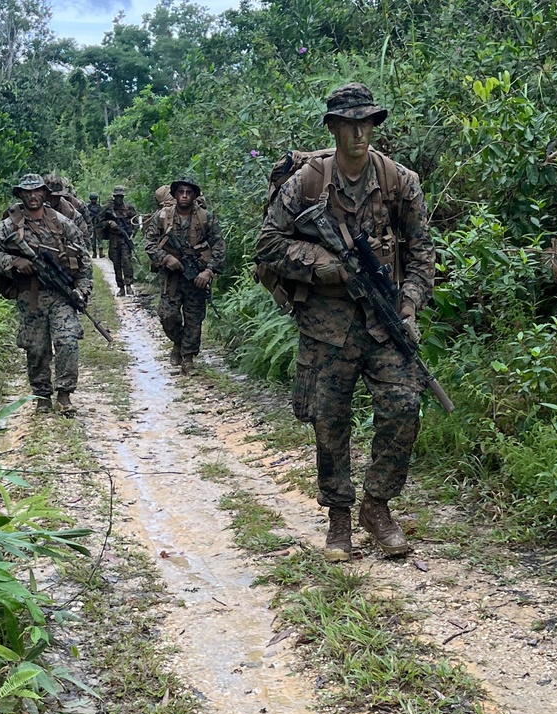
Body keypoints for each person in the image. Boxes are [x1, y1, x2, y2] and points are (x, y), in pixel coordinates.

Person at [255, 83, 434, 560]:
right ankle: (338, 518)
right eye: (350, 124)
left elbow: (421, 254)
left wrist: (410, 303)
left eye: (367, 123)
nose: (360, 133)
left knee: (403, 407)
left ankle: (376, 506)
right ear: (333, 128)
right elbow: (269, 243)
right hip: (326, 324)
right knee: (329, 422)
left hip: (383, 318)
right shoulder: (307, 183)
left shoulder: (400, 181)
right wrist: (323, 265)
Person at [0, 173, 93, 417]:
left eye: (37, 192)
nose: (33, 196)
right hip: (30, 295)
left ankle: (64, 395)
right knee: (36, 348)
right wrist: (15, 261)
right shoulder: (8, 225)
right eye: (27, 192)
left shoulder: (63, 223)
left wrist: (81, 290)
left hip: (61, 295)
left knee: (67, 340)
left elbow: (84, 261)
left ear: (44, 194)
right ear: (21, 195)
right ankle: (42, 396)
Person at [143, 176, 225, 374]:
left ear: (195, 195)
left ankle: (188, 359)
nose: (185, 196)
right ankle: (178, 343)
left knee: (194, 318)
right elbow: (149, 243)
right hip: (171, 276)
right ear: (175, 194)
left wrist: (209, 271)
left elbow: (219, 247)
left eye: (189, 192)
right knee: (167, 316)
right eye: (181, 192)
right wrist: (165, 258)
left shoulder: (206, 217)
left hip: (196, 274)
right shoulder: (163, 216)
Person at [102, 185, 138, 293]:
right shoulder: (108, 209)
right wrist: (109, 223)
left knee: (127, 261)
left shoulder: (129, 208)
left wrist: (133, 233)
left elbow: (135, 221)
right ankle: (121, 287)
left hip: (125, 238)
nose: (119, 199)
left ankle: (128, 285)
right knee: (116, 263)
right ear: (114, 197)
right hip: (114, 239)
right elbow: (99, 223)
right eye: (117, 196)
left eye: (121, 197)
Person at [44, 173, 90, 244]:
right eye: (49, 196)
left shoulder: (73, 214)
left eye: (56, 196)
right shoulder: (31, 211)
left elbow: (85, 240)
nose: (52, 199)